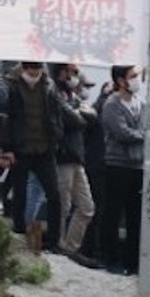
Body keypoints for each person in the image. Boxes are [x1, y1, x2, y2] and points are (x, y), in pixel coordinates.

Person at [0, 61, 76, 254]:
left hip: (44, 149)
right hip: (21, 149)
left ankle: (53, 242)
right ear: (24, 69)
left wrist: (56, 136)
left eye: (37, 70)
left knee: (54, 195)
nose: (34, 74)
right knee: (20, 195)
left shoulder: (48, 87)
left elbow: (57, 114)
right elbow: (7, 120)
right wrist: (7, 148)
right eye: (30, 70)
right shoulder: (12, 87)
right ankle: (18, 235)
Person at [48, 63, 98, 266]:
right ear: (60, 73)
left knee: (87, 207)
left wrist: (80, 113)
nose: (74, 77)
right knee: (62, 205)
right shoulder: (54, 94)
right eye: (71, 72)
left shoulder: (72, 97)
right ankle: (57, 245)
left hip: (77, 157)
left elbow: (91, 117)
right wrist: (80, 113)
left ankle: (70, 248)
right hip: (63, 156)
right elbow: (73, 119)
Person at [99, 65, 147, 273]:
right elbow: (122, 133)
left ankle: (132, 262)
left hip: (138, 165)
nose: (136, 80)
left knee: (135, 215)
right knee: (113, 212)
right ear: (120, 81)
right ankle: (110, 258)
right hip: (117, 164)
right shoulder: (112, 104)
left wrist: (143, 134)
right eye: (132, 77)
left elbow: (148, 126)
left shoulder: (141, 103)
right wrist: (143, 136)